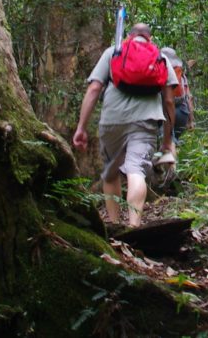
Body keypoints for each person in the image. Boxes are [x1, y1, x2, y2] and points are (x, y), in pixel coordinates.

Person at [72, 23, 176, 227]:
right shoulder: (160, 58)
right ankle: (134, 225)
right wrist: (167, 139)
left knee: (111, 174)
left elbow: (94, 89)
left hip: (112, 122)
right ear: (149, 38)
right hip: (145, 122)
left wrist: (81, 127)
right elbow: (170, 101)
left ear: (129, 36)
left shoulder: (113, 52)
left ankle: (113, 223)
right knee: (136, 170)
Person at [159, 47, 192, 146]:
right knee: (173, 141)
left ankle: (170, 158)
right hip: (182, 113)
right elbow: (189, 98)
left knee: (168, 143)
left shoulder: (159, 73)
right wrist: (191, 121)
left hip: (166, 113)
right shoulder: (181, 75)